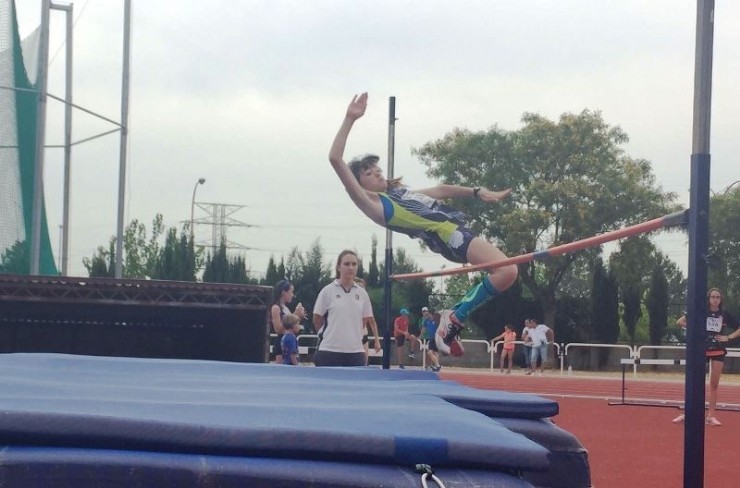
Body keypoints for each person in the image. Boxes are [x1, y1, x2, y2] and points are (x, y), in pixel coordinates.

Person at [329, 93, 518, 355]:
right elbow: (335, 160)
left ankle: (454, 318)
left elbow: (440, 190)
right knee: (507, 271)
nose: (378, 174)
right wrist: (350, 118)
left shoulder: (402, 194)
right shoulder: (372, 204)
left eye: (378, 170)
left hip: (456, 231)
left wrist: (477, 191)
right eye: (369, 174)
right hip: (447, 236)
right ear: (359, 185)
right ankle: (454, 317)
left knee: (507, 272)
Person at [673, 288, 739, 426]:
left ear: (721, 300)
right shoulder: (701, 312)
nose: (715, 299)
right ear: (708, 298)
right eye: (713, 297)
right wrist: (696, 330)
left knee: (714, 384)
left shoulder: (724, 314)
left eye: (718, 297)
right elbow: (680, 322)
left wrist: (728, 337)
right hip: (701, 349)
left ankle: (711, 416)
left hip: (718, 350)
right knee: (696, 383)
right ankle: (688, 414)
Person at [312, 250, 374, 367]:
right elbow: (317, 318)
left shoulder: (362, 294)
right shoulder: (327, 291)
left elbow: (364, 320)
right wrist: (327, 334)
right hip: (329, 352)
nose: (350, 267)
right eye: (346, 264)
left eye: (354, 264)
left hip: (355, 353)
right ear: (338, 267)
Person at [267, 279, 305, 363]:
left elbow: (290, 325)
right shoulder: (276, 308)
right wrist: (295, 315)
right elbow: (278, 329)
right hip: (282, 343)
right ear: (284, 292)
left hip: (289, 341)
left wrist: (299, 317)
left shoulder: (285, 308)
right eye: (291, 292)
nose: (293, 295)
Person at [354, 277, 381, 365]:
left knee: (363, 364)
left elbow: (372, 323)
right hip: (350, 337)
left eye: (363, 289)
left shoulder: (365, 304)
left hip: (363, 336)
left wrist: (377, 341)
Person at [419, 307, 441, 372]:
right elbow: (423, 329)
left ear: (430, 314)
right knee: (435, 353)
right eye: (425, 315)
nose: (425, 316)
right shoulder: (425, 321)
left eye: (427, 314)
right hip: (432, 337)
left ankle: (437, 365)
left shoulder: (436, 320)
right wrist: (420, 336)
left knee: (430, 352)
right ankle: (436, 366)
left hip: (436, 337)